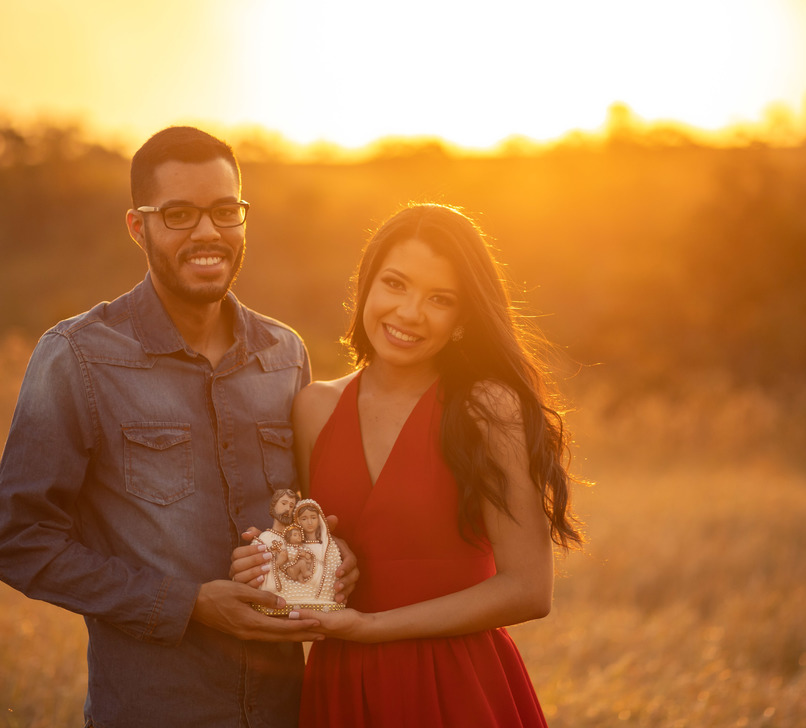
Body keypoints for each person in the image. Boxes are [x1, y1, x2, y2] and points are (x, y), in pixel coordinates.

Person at [0, 126, 354, 728]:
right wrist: (189, 604)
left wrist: (336, 556)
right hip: (151, 710)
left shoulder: (284, 354)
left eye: (224, 211)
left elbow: (301, 515)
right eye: (179, 214)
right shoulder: (78, 356)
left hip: (285, 709)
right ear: (139, 227)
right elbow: (19, 543)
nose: (207, 232)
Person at [234, 202, 581, 726]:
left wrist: (371, 629)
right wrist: (266, 567)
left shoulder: (488, 409)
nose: (409, 313)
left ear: (463, 319)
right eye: (395, 284)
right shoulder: (314, 408)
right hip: (342, 686)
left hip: (457, 684)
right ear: (367, 286)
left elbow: (529, 590)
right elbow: (321, 557)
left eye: (440, 299)